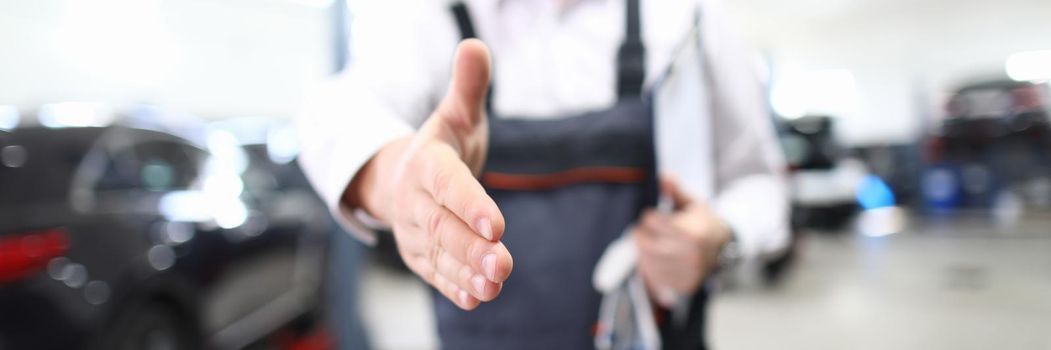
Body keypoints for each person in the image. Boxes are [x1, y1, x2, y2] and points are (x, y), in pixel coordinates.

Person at [297, 0, 789, 348]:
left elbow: (761, 180)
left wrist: (722, 237)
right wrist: (394, 176)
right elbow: (333, 111)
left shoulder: (688, 17)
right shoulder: (429, 17)